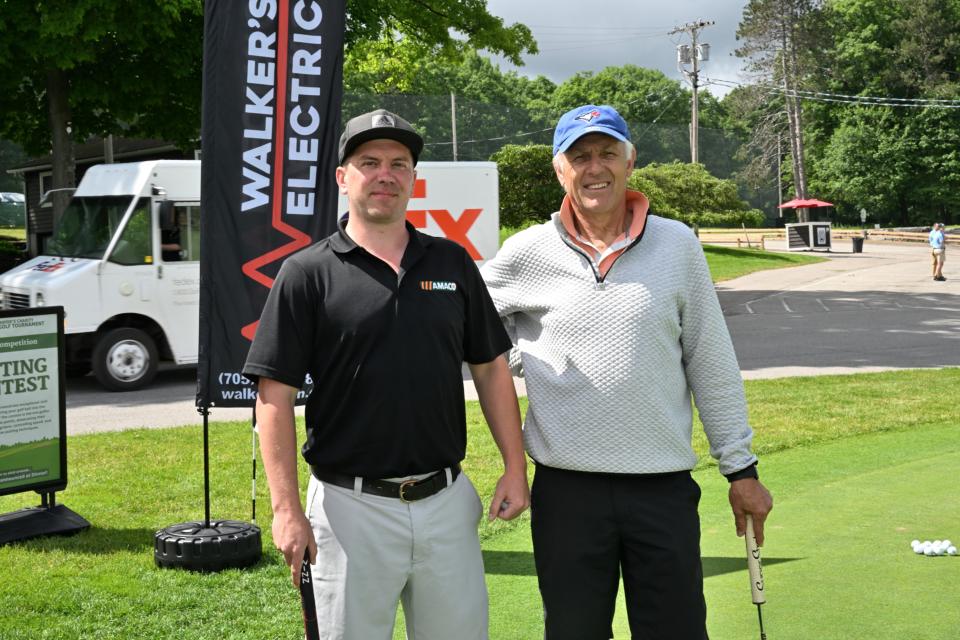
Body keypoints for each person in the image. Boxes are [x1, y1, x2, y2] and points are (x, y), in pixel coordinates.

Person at [481, 104, 773, 640]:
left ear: (630, 161)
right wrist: (528, 355)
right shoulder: (527, 250)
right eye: (580, 156)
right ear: (559, 170)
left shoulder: (677, 244)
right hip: (567, 492)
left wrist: (741, 469)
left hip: (661, 489)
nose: (596, 168)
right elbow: (468, 324)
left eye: (607, 153)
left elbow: (710, 359)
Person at [243, 108, 529, 640]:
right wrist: (285, 511)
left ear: (413, 179)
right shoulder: (307, 273)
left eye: (399, 164)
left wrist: (515, 467)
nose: (385, 175)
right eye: (369, 162)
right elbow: (273, 396)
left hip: (446, 505)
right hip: (349, 510)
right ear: (342, 176)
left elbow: (490, 369)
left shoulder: (451, 263)